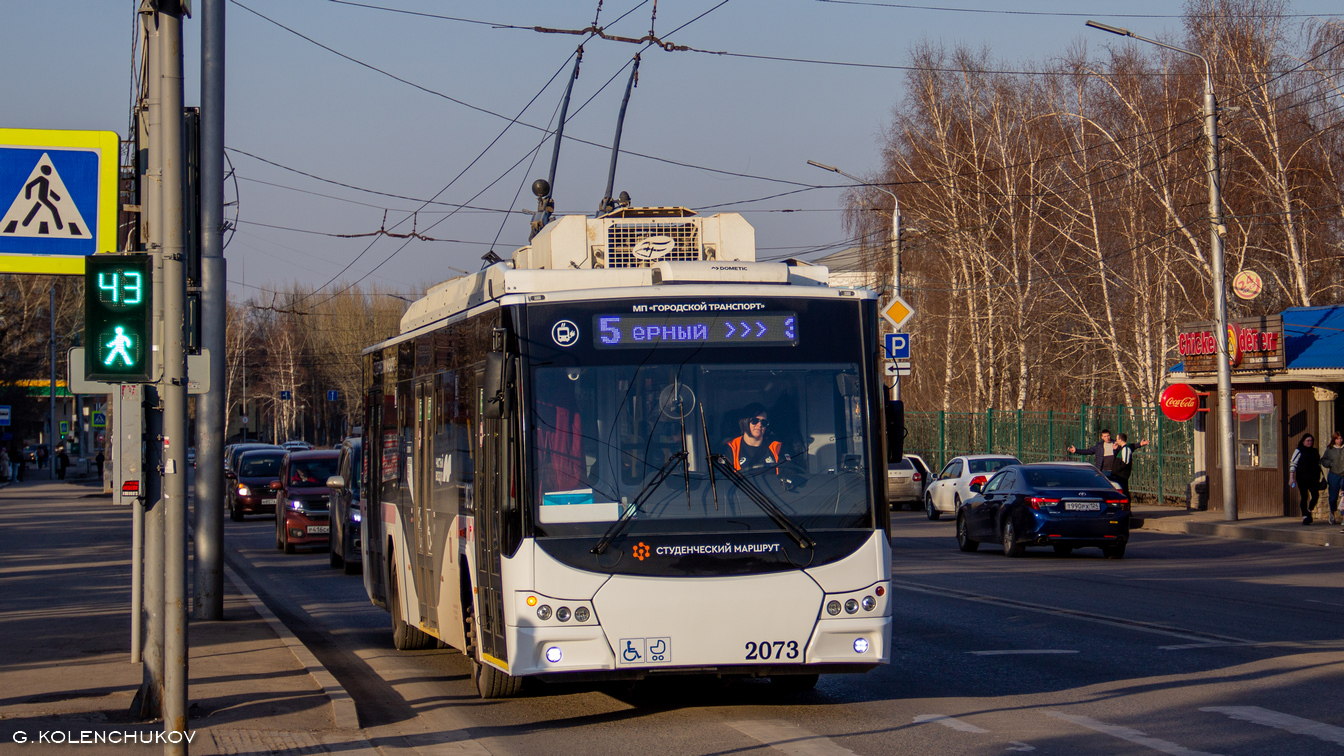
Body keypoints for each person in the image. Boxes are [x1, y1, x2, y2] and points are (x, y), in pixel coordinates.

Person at [1290, 433, 1322, 525]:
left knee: (1315, 495)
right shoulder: (1299, 451)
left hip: (1314, 477)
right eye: (1308, 441)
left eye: (1311, 441)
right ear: (1303, 441)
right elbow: (1293, 463)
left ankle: (1309, 510)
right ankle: (1305, 516)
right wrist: (1291, 478)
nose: (1309, 443)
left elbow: (1318, 463)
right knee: (1304, 496)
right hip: (1302, 477)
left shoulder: (1315, 451)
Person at [1109, 434, 1150, 500]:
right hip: (1117, 474)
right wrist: (1115, 450)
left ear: (1120, 440)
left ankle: (1126, 507)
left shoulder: (1126, 449)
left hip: (1121, 475)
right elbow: (1133, 446)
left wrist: (1118, 470)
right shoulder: (1122, 448)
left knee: (1124, 491)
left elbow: (1125, 462)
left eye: (1117, 439)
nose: (1116, 441)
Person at [1321, 432, 1344, 525]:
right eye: (1338, 438)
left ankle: (1343, 516)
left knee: (1343, 495)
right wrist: (1330, 464)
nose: (1340, 440)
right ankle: (1332, 513)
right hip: (1334, 474)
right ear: (1334, 440)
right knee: (1333, 496)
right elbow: (1323, 460)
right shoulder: (1330, 449)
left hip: (1343, 474)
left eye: (1341, 438)